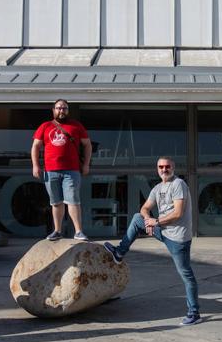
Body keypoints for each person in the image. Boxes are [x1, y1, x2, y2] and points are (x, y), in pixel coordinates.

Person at [104, 157, 201, 326]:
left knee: (185, 274)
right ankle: (119, 252)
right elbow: (144, 208)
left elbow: (178, 213)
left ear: (173, 167)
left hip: (178, 237)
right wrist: (148, 219)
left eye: (167, 166)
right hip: (163, 230)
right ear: (157, 169)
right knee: (137, 218)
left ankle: (194, 313)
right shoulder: (157, 188)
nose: (164, 169)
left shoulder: (178, 184)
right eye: (161, 167)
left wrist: (156, 222)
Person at [32, 99, 92, 241]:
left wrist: (86, 164)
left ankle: (78, 231)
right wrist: (35, 165)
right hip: (50, 171)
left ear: (68, 110)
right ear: (53, 110)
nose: (61, 111)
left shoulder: (76, 126)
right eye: (59, 108)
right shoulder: (45, 126)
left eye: (64, 108)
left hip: (71, 170)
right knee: (56, 202)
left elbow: (87, 145)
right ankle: (57, 231)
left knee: (73, 201)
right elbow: (35, 146)